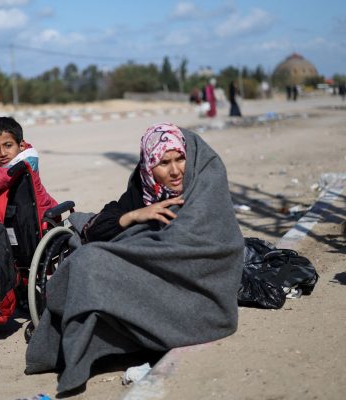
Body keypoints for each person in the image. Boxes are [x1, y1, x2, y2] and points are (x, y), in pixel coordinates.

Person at [25, 123, 244, 394]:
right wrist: (136, 216)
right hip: (152, 287)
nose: (175, 171)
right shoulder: (142, 192)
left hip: (198, 297)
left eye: (180, 159)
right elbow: (98, 228)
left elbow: (217, 250)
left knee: (89, 262)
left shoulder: (203, 188)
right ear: (149, 166)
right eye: (164, 163)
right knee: (87, 261)